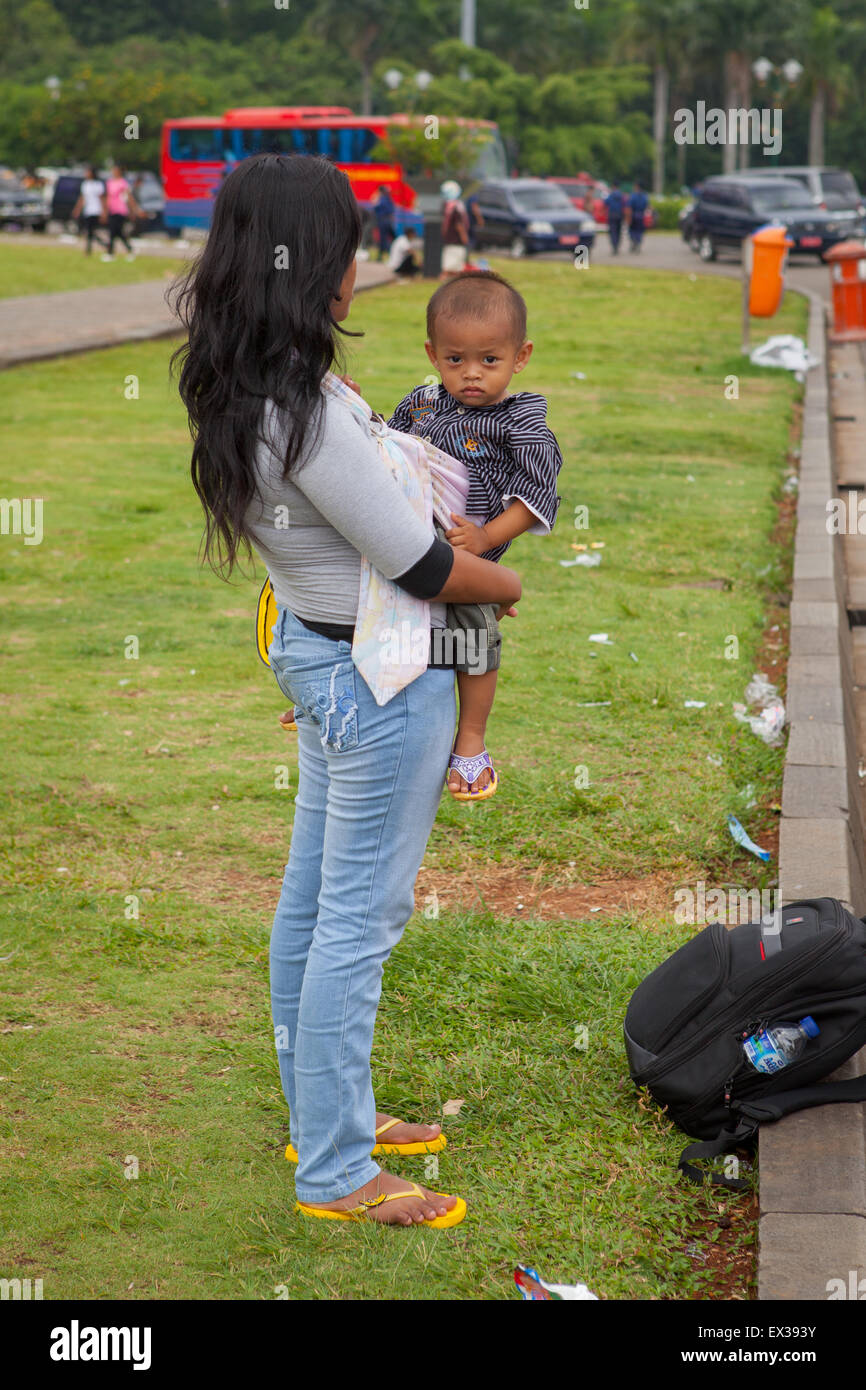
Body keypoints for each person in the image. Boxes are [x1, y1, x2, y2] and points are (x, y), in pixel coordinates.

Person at [172, 153, 520, 1227]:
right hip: (376, 680)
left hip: (327, 662)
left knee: (314, 905)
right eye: (349, 244)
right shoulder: (305, 411)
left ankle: (329, 1115)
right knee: (355, 922)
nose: (360, 264)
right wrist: (502, 579)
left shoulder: (249, 380)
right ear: (313, 260)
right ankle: (333, 1169)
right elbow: (420, 564)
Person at [388, 271, 562, 798]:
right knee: (359, 609)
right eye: (454, 359)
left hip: (467, 557)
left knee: (471, 638)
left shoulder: (521, 422)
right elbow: (385, 445)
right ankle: (317, 700)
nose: (471, 374)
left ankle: (471, 740)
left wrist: (485, 540)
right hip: (404, 540)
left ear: (521, 355)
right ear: (432, 354)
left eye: (490, 360)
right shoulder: (422, 404)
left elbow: (534, 499)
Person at [101, 163, 143, 262]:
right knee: (117, 232)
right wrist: (105, 210)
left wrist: (133, 210)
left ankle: (110, 253)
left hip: (120, 210)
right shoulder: (109, 182)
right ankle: (130, 249)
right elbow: (107, 197)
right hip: (112, 209)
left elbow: (129, 197)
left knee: (113, 232)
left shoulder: (123, 183)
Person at [72, 165, 107, 256]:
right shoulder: (85, 184)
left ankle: (88, 250)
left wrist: (104, 212)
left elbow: (102, 199)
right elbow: (82, 198)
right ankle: (102, 244)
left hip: (96, 210)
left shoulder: (98, 184)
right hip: (88, 210)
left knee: (90, 231)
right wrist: (77, 209)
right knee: (89, 231)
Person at [440, 180, 469, 276]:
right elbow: (459, 225)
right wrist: (464, 237)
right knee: (452, 270)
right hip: (456, 242)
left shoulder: (446, 206)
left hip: (449, 241)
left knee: (451, 269)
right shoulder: (456, 207)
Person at [371, 184, 396, 260]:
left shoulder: (382, 198)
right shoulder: (388, 198)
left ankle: (382, 255)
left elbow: (375, 207)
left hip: (383, 220)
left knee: (383, 239)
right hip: (388, 220)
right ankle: (387, 254)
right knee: (391, 237)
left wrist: (375, 199)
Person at [627, 181, 649, 253]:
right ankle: (638, 244)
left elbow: (629, 207)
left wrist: (629, 217)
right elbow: (648, 206)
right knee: (639, 231)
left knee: (632, 231)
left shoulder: (633, 196)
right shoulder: (645, 196)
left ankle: (634, 243)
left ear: (637, 186)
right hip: (641, 216)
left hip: (634, 215)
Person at [605, 180, 625, 255]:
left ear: (613, 186)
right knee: (618, 232)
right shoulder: (622, 195)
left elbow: (606, 203)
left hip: (612, 215)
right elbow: (625, 205)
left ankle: (614, 247)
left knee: (612, 232)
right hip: (620, 215)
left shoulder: (611, 194)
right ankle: (617, 246)